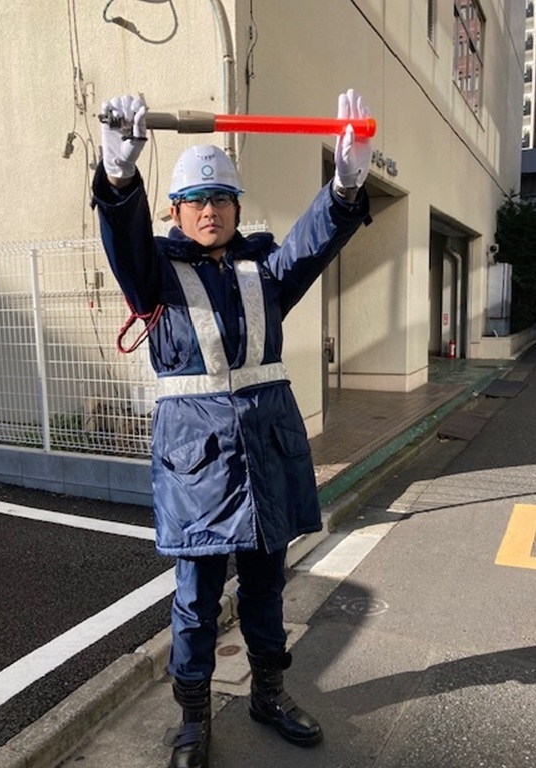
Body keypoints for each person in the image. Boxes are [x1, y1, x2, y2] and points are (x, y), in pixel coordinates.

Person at [93, 89, 373, 768]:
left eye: (221, 198)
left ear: (238, 208)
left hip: (266, 455)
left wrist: (345, 187)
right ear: (175, 211)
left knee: (267, 588)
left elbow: (312, 243)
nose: (210, 210)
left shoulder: (264, 272)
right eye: (195, 200)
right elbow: (124, 240)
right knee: (195, 601)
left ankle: (267, 694)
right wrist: (119, 180)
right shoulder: (154, 275)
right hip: (199, 466)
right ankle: (193, 718)